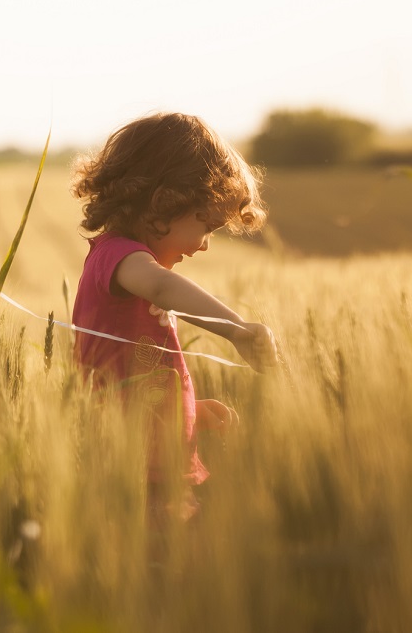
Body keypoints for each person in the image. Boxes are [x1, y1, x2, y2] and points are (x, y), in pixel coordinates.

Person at [70, 112, 279, 525]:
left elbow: (141, 375)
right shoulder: (117, 258)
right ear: (164, 201)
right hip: (131, 470)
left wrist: (187, 413)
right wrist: (237, 331)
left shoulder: (129, 265)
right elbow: (163, 288)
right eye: (207, 224)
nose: (204, 245)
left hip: (158, 466)